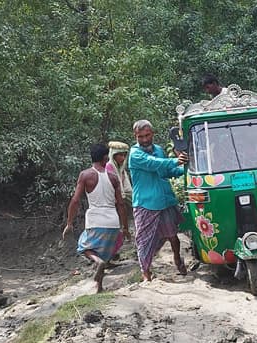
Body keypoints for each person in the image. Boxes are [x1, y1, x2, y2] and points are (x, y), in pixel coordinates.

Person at [62, 143, 129, 293]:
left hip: (95, 220)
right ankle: (99, 287)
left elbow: (75, 201)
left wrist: (69, 223)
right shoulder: (113, 177)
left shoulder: (85, 175)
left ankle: (97, 262)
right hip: (112, 221)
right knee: (104, 253)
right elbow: (121, 204)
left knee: (84, 246)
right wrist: (124, 227)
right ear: (106, 158)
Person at [128, 120, 189, 281]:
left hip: (165, 200)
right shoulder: (135, 154)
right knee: (144, 240)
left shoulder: (159, 150)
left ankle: (178, 260)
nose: (145, 139)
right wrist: (176, 160)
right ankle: (146, 273)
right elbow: (153, 164)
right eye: (141, 137)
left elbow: (166, 171)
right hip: (145, 203)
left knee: (173, 235)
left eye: (147, 135)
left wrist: (185, 169)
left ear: (152, 134)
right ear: (135, 136)